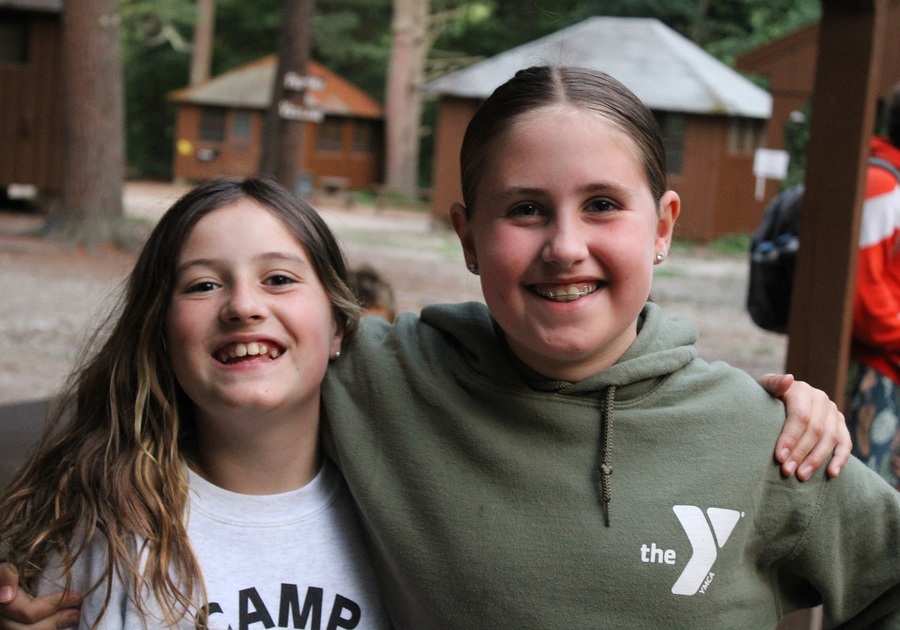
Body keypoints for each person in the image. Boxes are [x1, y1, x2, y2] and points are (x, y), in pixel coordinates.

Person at [0, 69, 861, 628]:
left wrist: (765, 407)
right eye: (525, 209)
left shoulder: (759, 436)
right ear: (467, 234)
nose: (564, 245)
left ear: (664, 225)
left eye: (603, 204)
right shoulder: (388, 373)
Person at [0, 178, 390, 628]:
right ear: (161, 333)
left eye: (279, 279)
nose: (243, 306)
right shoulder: (105, 533)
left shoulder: (397, 518)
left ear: (337, 326)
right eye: (203, 285)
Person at [845, 81, 900, 489]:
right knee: (871, 498)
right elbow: (864, 296)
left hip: (887, 363)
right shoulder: (884, 184)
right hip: (875, 370)